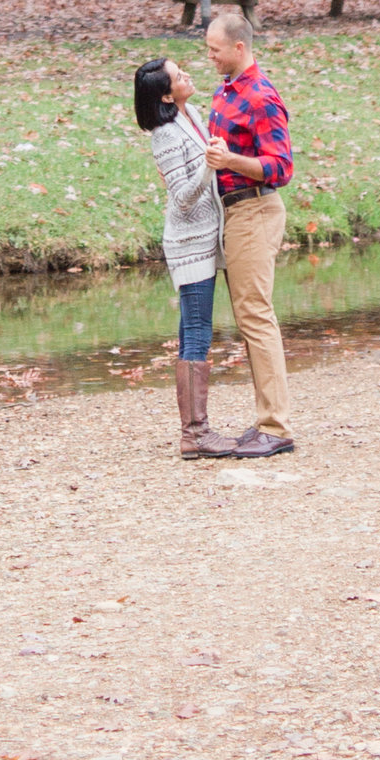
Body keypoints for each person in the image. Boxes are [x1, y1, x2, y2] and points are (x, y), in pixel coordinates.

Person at [202, 7, 294, 458]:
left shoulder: (259, 96)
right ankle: (265, 421)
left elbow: (280, 168)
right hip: (232, 213)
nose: (210, 58)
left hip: (254, 211)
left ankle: (275, 427)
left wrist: (230, 163)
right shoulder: (227, 90)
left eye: (215, 50)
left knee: (257, 317)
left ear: (239, 48)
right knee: (249, 317)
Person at [133, 55, 228, 459]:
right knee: (196, 331)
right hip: (189, 243)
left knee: (194, 329)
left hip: (209, 237)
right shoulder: (165, 136)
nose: (187, 74)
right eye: (178, 75)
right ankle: (195, 434)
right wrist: (210, 167)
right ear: (167, 94)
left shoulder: (193, 116)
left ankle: (197, 431)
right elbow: (183, 199)